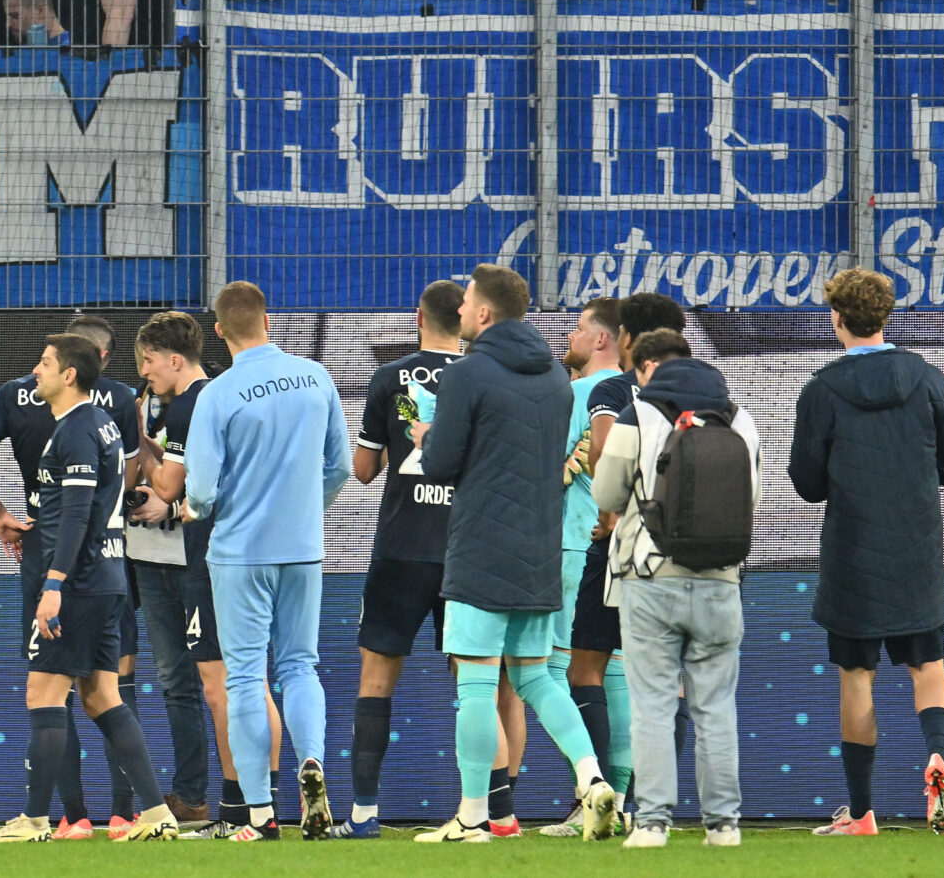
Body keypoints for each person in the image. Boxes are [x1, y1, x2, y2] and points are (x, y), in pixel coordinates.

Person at [412, 265, 617, 843]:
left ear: (482, 313)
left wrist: (427, 441)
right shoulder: (555, 376)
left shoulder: (467, 375)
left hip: (481, 547)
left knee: (476, 686)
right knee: (537, 680)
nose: (459, 311)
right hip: (540, 548)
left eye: (467, 302)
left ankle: (474, 816)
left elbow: (443, 464)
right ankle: (593, 778)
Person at [0, 334, 181, 843]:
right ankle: (156, 815)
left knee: (43, 692)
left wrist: (54, 584)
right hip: (107, 579)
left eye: (44, 363)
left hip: (80, 584)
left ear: (69, 375)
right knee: (101, 697)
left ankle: (35, 820)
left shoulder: (77, 430)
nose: (35, 371)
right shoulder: (100, 424)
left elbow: (78, 514)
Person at [792, 269, 944, 837]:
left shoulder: (822, 389)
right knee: (928, 669)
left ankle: (862, 814)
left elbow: (808, 483)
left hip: (853, 555)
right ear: (886, 316)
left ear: (836, 319)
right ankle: (938, 759)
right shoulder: (930, 378)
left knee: (856, 678)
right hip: (915, 549)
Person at [180, 280, 352, 841]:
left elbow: (201, 490)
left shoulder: (218, 394)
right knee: (301, 666)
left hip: (238, 553)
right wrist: (306, 509)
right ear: (269, 322)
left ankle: (257, 814)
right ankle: (313, 762)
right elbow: (341, 466)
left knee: (246, 680)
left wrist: (198, 506)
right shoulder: (316, 377)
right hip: (303, 548)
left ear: (221, 331)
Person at [594, 328, 761, 849]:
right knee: (716, 705)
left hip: (650, 580)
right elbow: (750, 498)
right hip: (721, 581)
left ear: (645, 367)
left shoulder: (635, 415)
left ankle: (652, 822)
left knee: (653, 703)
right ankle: (724, 824)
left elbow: (606, 491)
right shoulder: (740, 418)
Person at [337, 279, 472, 838]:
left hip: (401, 547)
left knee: (376, 679)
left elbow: (364, 470)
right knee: (477, 683)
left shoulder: (391, 377)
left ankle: (365, 812)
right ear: (466, 319)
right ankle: (484, 813)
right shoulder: (481, 377)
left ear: (418, 316)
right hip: (465, 548)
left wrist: (402, 437)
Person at [537, 298, 636, 837]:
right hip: (624, 551)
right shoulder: (636, 393)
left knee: (553, 673)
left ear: (602, 339)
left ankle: (588, 794)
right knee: (615, 671)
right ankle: (621, 800)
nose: (569, 337)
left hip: (572, 546)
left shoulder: (576, 394)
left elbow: (547, 471)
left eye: (577, 329)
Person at [128, 313, 220, 832]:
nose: (143, 371)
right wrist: (140, 438)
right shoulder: (150, 403)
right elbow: (155, 473)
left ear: (174, 358)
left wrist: (171, 500)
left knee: (214, 679)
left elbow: (185, 483)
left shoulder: (209, 401)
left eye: (148, 360)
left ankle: (242, 799)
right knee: (174, 681)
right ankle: (191, 797)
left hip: (195, 558)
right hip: (149, 557)